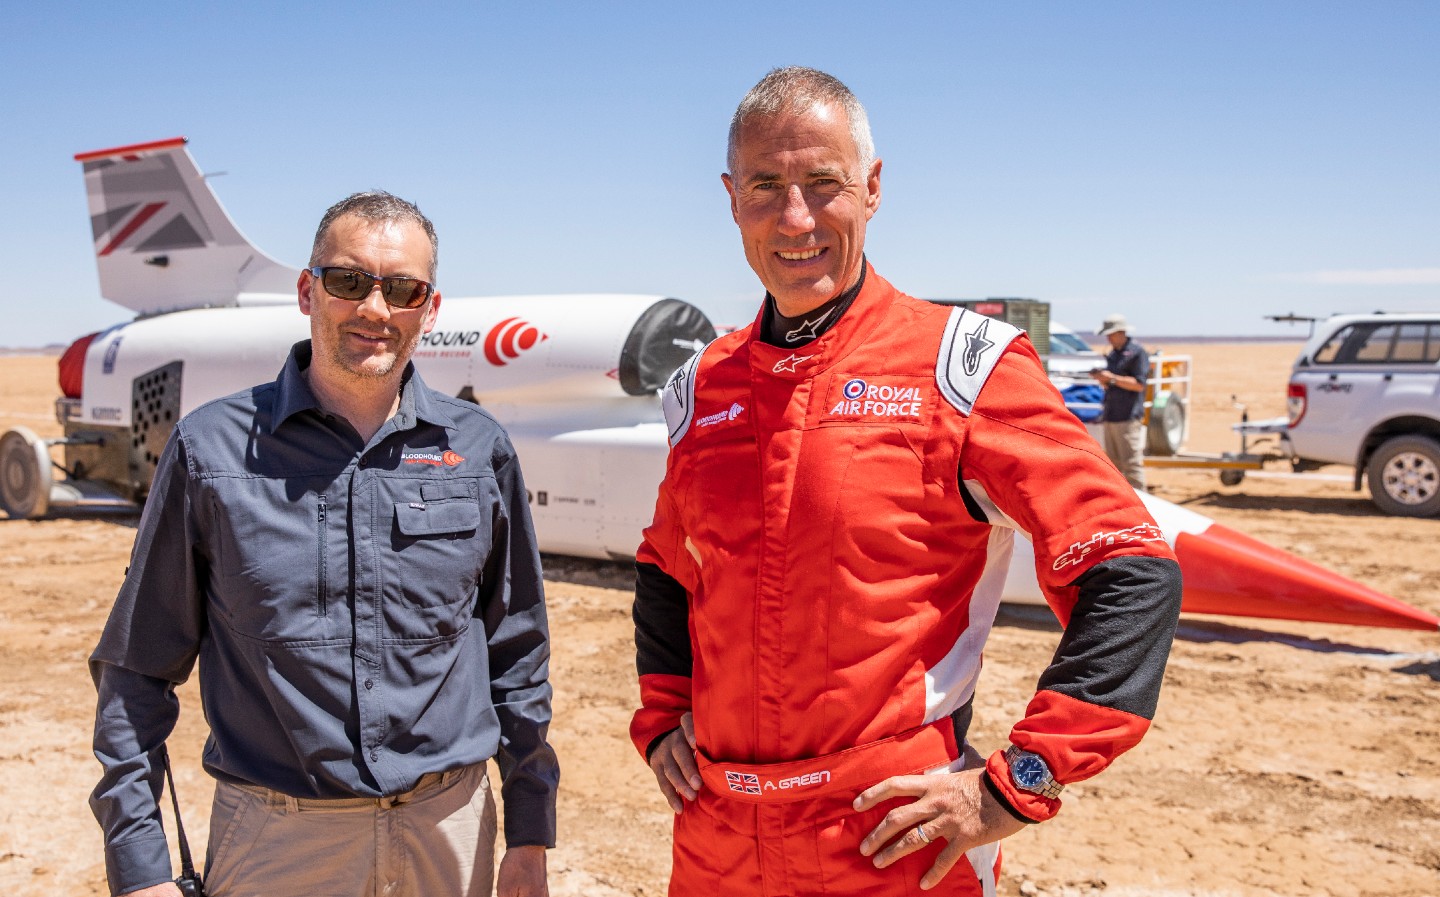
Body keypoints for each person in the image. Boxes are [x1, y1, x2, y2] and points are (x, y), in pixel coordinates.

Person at [631, 67, 1183, 896]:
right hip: (718, 845)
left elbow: (1131, 569)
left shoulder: (962, 367)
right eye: (765, 187)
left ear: (874, 187)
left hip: (894, 844)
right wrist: (662, 716)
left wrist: (1020, 781)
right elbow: (669, 567)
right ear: (730, 196)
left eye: (824, 184)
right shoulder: (702, 385)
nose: (795, 218)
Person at [89, 192, 558, 897]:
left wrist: (528, 832)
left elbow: (517, 654)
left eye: (402, 289)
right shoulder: (212, 452)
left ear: (428, 310)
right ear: (308, 290)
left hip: (449, 833)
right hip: (279, 843)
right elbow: (136, 668)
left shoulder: (478, 450)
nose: (375, 308)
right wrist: (139, 867)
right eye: (348, 281)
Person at [1090, 313, 1150, 489]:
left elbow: (1139, 384)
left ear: (1121, 332)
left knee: (1131, 464)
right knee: (1114, 465)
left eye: (1111, 334)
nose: (1108, 338)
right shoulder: (1114, 354)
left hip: (1128, 416)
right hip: (1112, 414)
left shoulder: (1137, 353)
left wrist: (1112, 379)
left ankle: (1143, 505)